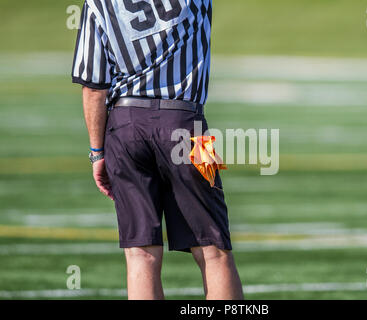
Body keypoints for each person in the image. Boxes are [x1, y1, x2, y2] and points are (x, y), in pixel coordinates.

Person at [71, 0, 243, 300]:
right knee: (213, 251)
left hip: (125, 127)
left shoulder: (98, 4)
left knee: (141, 254)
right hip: (188, 124)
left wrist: (97, 153)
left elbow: (94, 87)